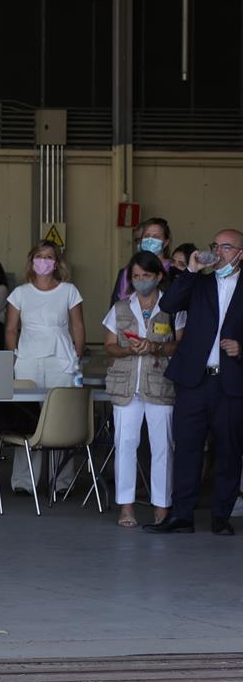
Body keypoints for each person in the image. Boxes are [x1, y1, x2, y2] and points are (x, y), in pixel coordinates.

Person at [146, 228, 243, 537]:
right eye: (215, 245)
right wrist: (189, 270)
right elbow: (169, 305)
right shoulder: (197, 282)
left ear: (240, 253)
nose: (218, 252)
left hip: (230, 383)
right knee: (186, 448)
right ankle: (182, 516)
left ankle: (220, 517)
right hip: (194, 380)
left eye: (226, 247)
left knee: (228, 451)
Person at [103, 251, 181, 530]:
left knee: (163, 447)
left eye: (146, 276)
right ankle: (126, 507)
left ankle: (162, 507)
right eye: (135, 277)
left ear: (159, 276)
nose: (140, 281)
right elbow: (109, 345)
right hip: (126, 387)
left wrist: (155, 347)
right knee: (125, 445)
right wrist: (126, 350)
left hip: (160, 384)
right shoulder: (121, 307)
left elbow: (180, 344)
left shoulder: (172, 307)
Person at [5, 241, 88, 492]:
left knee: (60, 419)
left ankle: (61, 480)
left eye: (49, 256)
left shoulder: (69, 290)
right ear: (32, 261)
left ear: (57, 262)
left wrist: (76, 356)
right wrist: (14, 358)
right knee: (27, 420)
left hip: (61, 360)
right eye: (39, 256)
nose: (44, 261)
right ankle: (23, 481)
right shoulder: (20, 292)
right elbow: (10, 328)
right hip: (28, 361)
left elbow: (78, 326)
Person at [111, 218, 172, 303]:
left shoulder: (173, 269)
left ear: (166, 242)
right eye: (146, 236)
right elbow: (116, 305)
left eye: (156, 237)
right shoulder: (127, 271)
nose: (150, 240)